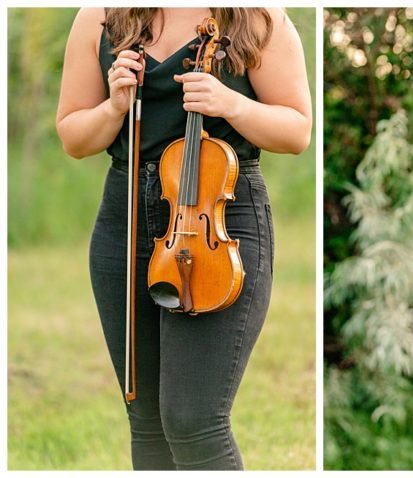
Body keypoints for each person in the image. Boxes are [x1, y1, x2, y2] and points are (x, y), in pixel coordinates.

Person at [55, 7, 311, 470]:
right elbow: (74, 137)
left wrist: (230, 103)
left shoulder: (254, 16)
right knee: (147, 423)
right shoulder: (100, 15)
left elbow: (297, 130)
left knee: (195, 422)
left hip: (220, 216)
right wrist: (114, 106)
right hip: (126, 212)